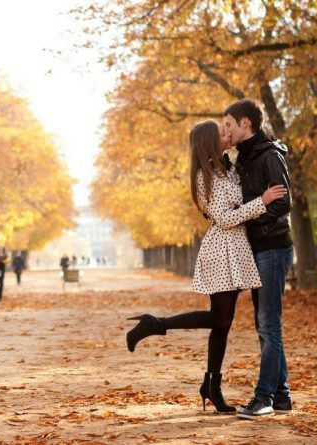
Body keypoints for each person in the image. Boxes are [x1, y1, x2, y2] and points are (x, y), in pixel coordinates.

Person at [125, 119, 287, 414]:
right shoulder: (204, 177)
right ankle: (155, 324)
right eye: (221, 132)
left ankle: (211, 386)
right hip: (220, 251)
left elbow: (237, 202)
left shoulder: (226, 168)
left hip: (236, 251)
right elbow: (224, 218)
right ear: (209, 142)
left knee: (222, 323)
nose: (227, 134)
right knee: (218, 318)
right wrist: (262, 201)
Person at [224, 98, 295, 419]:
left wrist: (245, 218)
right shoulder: (244, 158)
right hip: (258, 248)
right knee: (264, 325)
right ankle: (281, 396)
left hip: (274, 247)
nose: (226, 130)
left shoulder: (268, 155)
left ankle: (263, 397)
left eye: (228, 125)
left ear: (245, 124)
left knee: (269, 325)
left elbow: (284, 203)